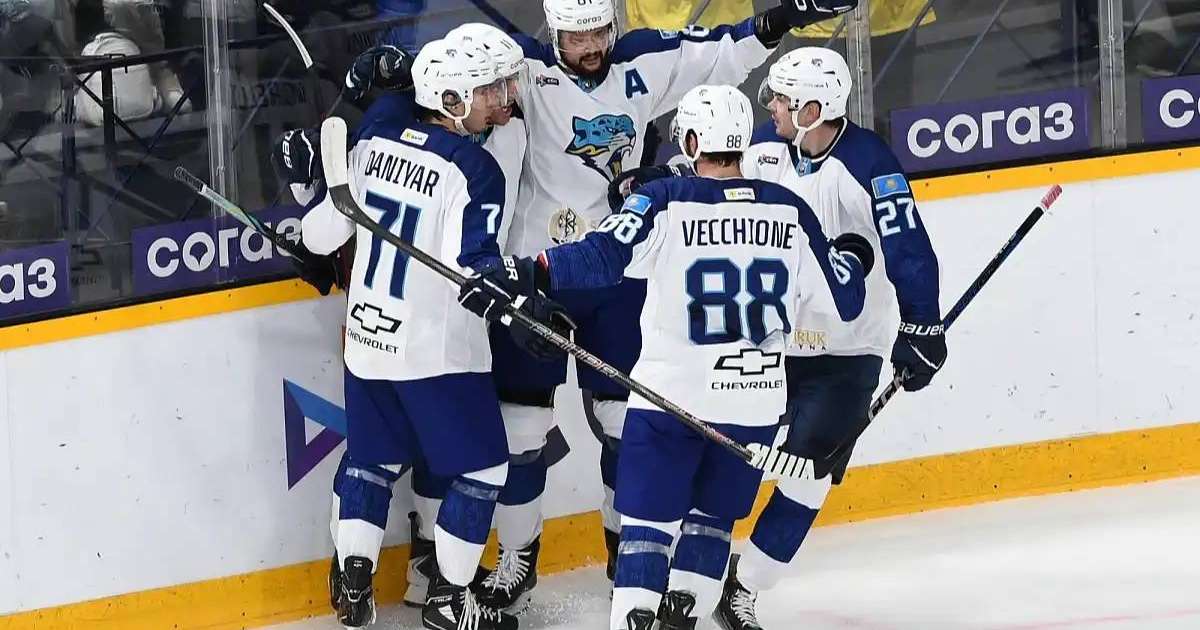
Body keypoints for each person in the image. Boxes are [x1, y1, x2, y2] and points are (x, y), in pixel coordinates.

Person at [461, 0, 860, 611]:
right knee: (522, 429)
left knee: (625, 426)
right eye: (576, 34)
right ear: (553, 30)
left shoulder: (641, 60)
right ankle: (520, 556)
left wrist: (790, 14)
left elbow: (725, 52)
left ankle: (629, 557)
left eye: (599, 29)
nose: (590, 44)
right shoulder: (524, 72)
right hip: (543, 271)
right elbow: (461, 92)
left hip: (622, 271)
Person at [299, 36, 566, 630]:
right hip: (436, 352)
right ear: (451, 99)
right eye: (492, 90)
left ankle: (355, 582)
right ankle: (450, 600)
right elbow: (472, 270)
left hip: (367, 342)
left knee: (370, 462)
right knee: (482, 471)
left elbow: (321, 235)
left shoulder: (373, 141)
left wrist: (305, 216)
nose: (506, 99)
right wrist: (517, 305)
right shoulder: (476, 168)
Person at [709, 47, 945, 630]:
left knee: (809, 475)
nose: (773, 106)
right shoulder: (763, 149)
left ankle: (744, 587)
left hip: (845, 350)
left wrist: (921, 324)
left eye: (784, 99)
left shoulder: (869, 165)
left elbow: (907, 248)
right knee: (720, 456)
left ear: (817, 108)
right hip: (767, 339)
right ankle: (690, 576)